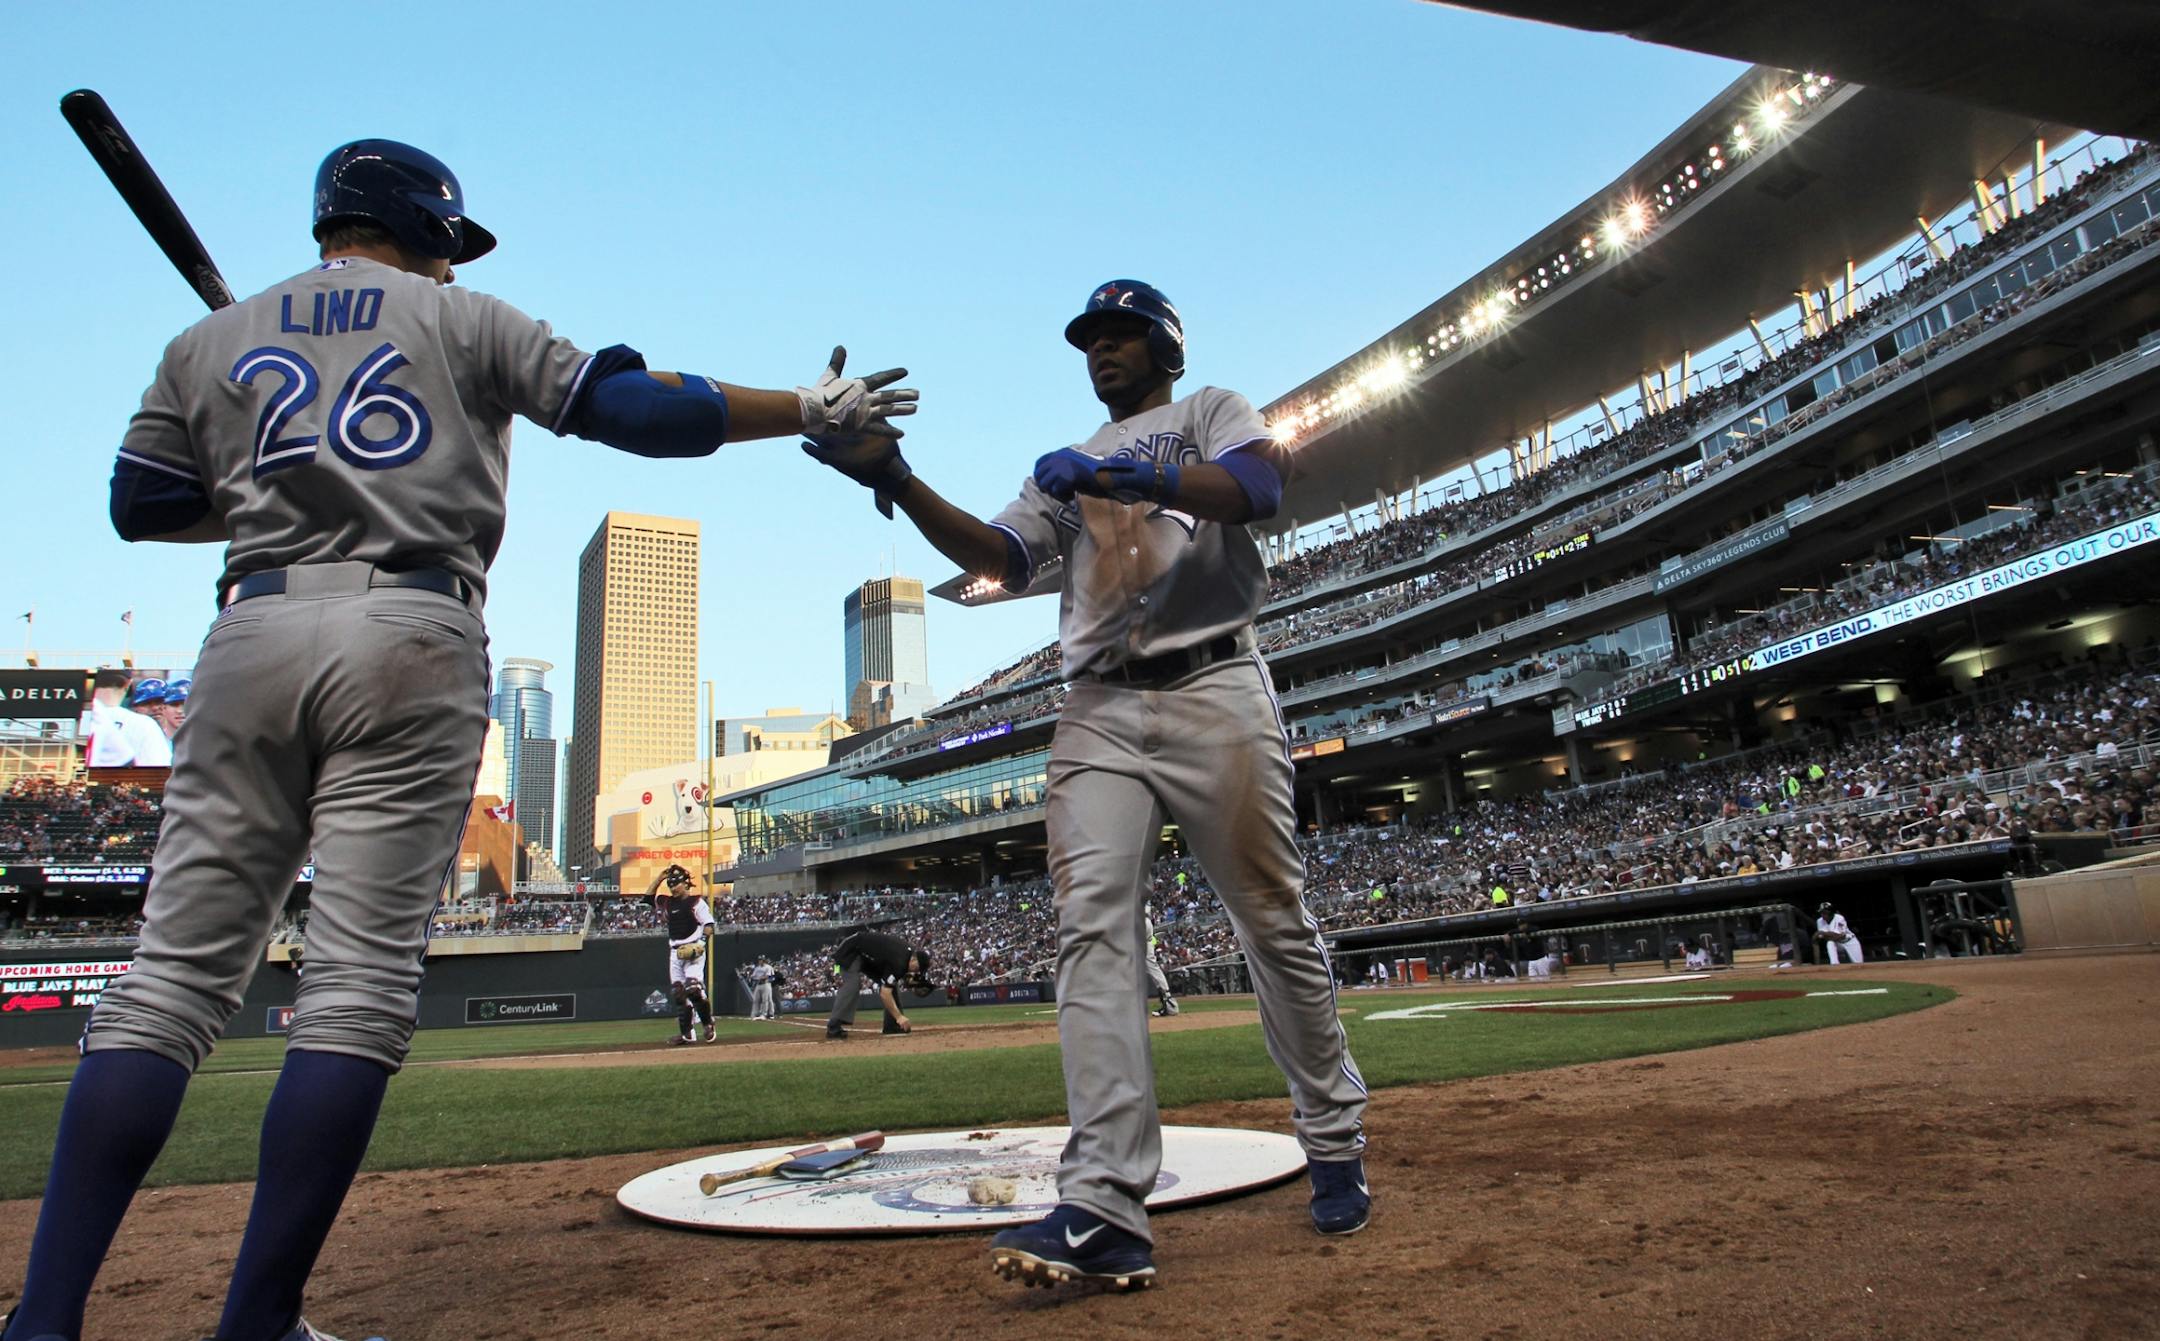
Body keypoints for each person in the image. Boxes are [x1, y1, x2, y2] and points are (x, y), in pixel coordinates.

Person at [1, 138, 915, 1341]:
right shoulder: (464, 316)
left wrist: (290, 457)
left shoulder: (207, 345)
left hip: (251, 626)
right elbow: (639, 412)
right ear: (429, 231)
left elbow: (143, 504)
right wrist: (808, 405)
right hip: (412, 623)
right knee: (357, 989)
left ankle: (42, 1323)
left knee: (166, 987)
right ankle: (259, 1320)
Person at [806, 279, 1368, 1291]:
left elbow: (1261, 488)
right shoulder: (1058, 472)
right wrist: (897, 474)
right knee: (1092, 929)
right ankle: (1105, 1202)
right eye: (1091, 340)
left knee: (1271, 918)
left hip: (1217, 686)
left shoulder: (1207, 413)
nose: (1102, 350)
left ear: (1167, 350)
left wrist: (1123, 475)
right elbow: (998, 554)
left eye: (1123, 335)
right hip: (1098, 706)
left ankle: (1332, 1132)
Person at [823, 927, 930, 1039]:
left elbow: (893, 979)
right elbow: (884, 994)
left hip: (869, 958)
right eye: (917, 969)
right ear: (914, 960)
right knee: (853, 984)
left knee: (891, 985)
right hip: (850, 951)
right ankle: (833, 1027)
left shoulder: (908, 956)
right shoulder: (900, 961)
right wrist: (899, 1017)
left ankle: (892, 1026)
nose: (915, 971)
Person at [649, 865, 715, 1044]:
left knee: (693, 990)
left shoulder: (696, 902)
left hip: (694, 950)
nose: (673, 887)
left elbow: (709, 925)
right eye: (670, 884)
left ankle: (708, 1024)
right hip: (675, 952)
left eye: (676, 883)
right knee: (679, 993)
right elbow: (647, 897)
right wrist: (659, 878)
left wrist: (701, 943)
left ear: (685, 884)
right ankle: (687, 1034)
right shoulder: (666, 902)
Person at [78, 670, 172, 768]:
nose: (155, 708)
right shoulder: (145, 724)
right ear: (128, 684)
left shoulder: (82, 718)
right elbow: (157, 773)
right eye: (146, 703)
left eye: (160, 702)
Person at [1144, 906, 1178, 1017]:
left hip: (1138, 921)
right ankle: (1169, 1003)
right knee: (1152, 967)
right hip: (1144, 921)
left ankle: (1169, 1003)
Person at [748, 955, 778, 1020]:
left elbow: (769, 976)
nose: (759, 961)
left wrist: (760, 977)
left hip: (766, 984)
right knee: (756, 999)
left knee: (766, 1000)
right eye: (759, 960)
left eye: (761, 960)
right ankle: (755, 1013)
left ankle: (766, 1014)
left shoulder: (768, 967)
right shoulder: (757, 968)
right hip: (758, 984)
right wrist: (751, 976)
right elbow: (753, 975)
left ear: (764, 960)